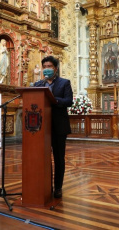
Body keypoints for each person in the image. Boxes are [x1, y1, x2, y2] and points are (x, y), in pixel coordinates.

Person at [34, 56, 73, 198]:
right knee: (42, 157)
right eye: (44, 66)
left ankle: (58, 187)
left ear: (55, 69)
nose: (47, 69)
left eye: (49, 66)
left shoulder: (64, 83)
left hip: (58, 126)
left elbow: (69, 101)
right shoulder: (38, 85)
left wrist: (54, 100)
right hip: (40, 127)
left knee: (58, 158)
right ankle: (44, 185)